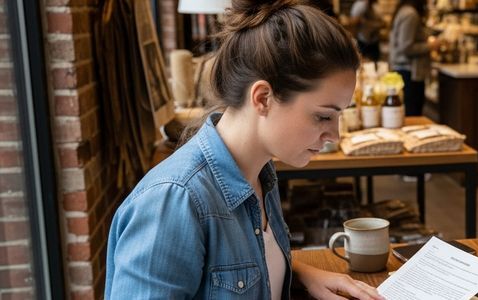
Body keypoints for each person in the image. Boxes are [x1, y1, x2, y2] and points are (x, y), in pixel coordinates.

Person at [104, 0, 384, 299]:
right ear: (263, 98)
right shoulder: (173, 202)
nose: (334, 135)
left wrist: (301, 273)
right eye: (323, 116)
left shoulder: (260, 172)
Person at [389, 0, 440, 116]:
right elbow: (406, 47)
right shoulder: (411, 14)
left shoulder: (404, 11)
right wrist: (431, 46)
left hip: (404, 71)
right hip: (409, 73)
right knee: (412, 115)